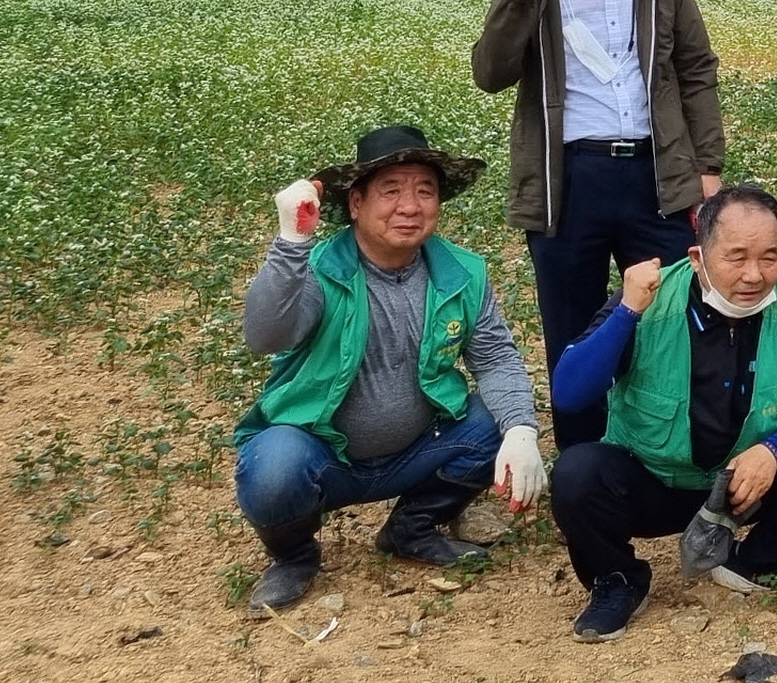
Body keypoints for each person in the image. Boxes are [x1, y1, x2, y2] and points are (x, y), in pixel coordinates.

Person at [233, 127, 545, 617]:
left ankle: (412, 528)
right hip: (322, 452)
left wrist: (522, 431)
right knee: (273, 466)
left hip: (417, 447)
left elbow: (496, 357)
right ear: (355, 204)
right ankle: (293, 557)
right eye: (392, 190)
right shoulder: (318, 267)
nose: (410, 205)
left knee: (495, 425)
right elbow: (265, 335)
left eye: (425, 190)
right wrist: (290, 241)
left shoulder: (463, 272)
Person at [472, 0, 724, 450]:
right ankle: (583, 464)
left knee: (672, 316)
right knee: (571, 327)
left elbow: (696, 71)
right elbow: (490, 72)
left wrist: (708, 168)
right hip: (570, 179)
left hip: (655, 175)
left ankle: (666, 448)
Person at [546, 185, 777, 641]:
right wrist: (626, 312)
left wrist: (774, 452)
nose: (754, 275)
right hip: (653, 480)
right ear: (698, 257)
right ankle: (616, 580)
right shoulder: (648, 299)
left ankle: (761, 560)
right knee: (577, 472)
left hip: (746, 487)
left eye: (769, 257)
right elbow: (570, 393)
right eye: (736, 257)